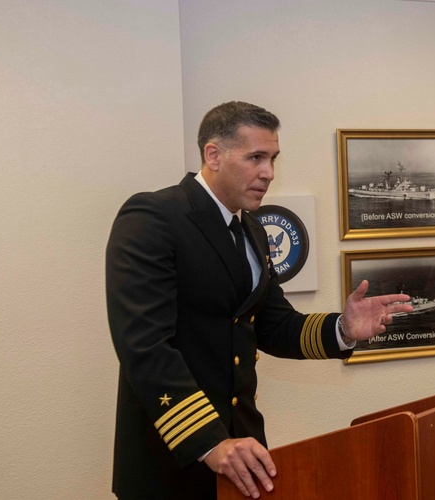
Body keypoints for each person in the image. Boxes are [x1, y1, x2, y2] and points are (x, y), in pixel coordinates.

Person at [106, 101, 412, 499]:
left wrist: (342, 329)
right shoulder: (154, 217)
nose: (268, 173)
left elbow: (273, 324)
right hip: (175, 457)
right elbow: (144, 346)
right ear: (213, 155)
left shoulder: (251, 228)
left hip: (244, 452)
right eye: (256, 157)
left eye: (272, 159)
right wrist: (211, 443)